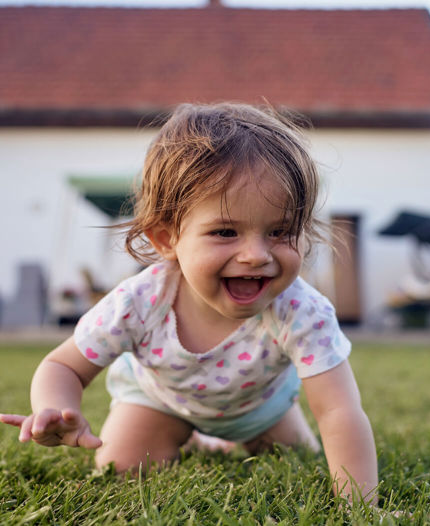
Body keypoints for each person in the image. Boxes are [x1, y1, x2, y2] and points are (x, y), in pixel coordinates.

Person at [0, 103, 377, 504]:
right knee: (122, 469)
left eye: (281, 231)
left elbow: (338, 412)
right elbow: (63, 366)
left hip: (261, 407)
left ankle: (221, 441)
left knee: (298, 461)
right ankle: (193, 436)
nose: (256, 255)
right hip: (161, 402)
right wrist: (55, 407)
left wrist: (361, 507)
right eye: (226, 231)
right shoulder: (140, 302)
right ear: (167, 240)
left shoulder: (302, 311)